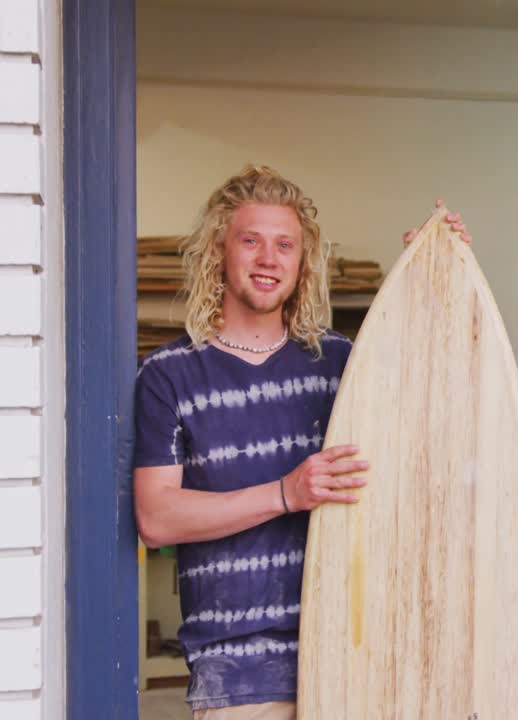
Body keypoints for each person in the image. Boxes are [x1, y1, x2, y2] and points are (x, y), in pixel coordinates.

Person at [133, 164, 468, 719]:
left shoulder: (339, 363)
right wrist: (285, 493)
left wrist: (430, 279)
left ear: (302, 262)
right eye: (251, 241)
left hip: (354, 652)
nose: (269, 259)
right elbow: (156, 517)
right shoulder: (169, 375)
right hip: (239, 671)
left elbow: (429, 409)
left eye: (284, 245)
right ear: (219, 251)